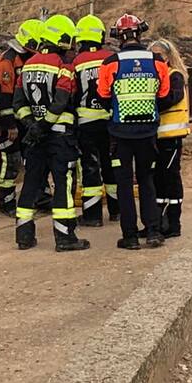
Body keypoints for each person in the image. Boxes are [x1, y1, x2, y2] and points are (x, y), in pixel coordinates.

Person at [13, 15, 90, 252]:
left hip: (35, 138)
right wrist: (44, 126)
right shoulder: (63, 67)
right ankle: (65, 237)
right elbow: (60, 101)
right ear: (63, 40)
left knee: (31, 185)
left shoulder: (27, 66)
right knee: (63, 186)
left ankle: (24, 236)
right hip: (60, 138)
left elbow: (18, 102)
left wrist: (31, 126)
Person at [97, 14, 171, 250]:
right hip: (148, 132)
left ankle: (129, 237)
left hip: (120, 134)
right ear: (140, 34)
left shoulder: (110, 63)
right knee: (147, 181)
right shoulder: (157, 61)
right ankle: (153, 232)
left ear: (118, 36)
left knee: (124, 184)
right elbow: (164, 96)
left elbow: (103, 96)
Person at [71, 14, 119, 227]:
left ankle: (92, 216)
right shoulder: (110, 58)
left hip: (86, 123)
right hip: (110, 123)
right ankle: (117, 211)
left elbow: (71, 92)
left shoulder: (76, 62)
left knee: (90, 168)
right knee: (112, 166)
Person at [0, 20, 42, 217]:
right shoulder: (8, 61)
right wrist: (10, 124)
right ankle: (7, 202)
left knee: (32, 159)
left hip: (24, 120)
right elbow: (3, 95)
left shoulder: (28, 60)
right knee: (10, 162)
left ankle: (39, 196)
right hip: (7, 122)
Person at [150, 38, 190, 239]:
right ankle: (158, 223)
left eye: (159, 55)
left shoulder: (175, 76)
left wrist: (148, 101)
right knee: (158, 179)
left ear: (168, 56)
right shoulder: (156, 76)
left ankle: (174, 223)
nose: (156, 59)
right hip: (156, 136)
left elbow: (169, 99)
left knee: (171, 178)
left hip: (172, 136)